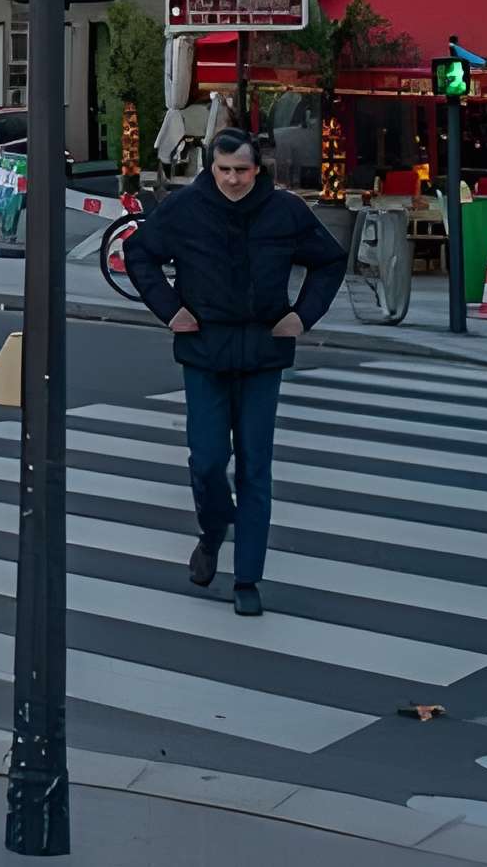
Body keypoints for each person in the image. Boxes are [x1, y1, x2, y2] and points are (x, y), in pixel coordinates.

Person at [122, 129, 346, 619]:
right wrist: (169, 309)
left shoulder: (285, 211)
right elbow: (139, 254)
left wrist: (303, 316)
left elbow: (330, 260)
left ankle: (247, 578)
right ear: (211, 167)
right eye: (223, 170)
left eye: (241, 170)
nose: (233, 179)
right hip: (204, 349)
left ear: (257, 168)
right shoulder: (185, 208)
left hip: (263, 352)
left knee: (254, 467)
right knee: (206, 460)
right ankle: (212, 531)